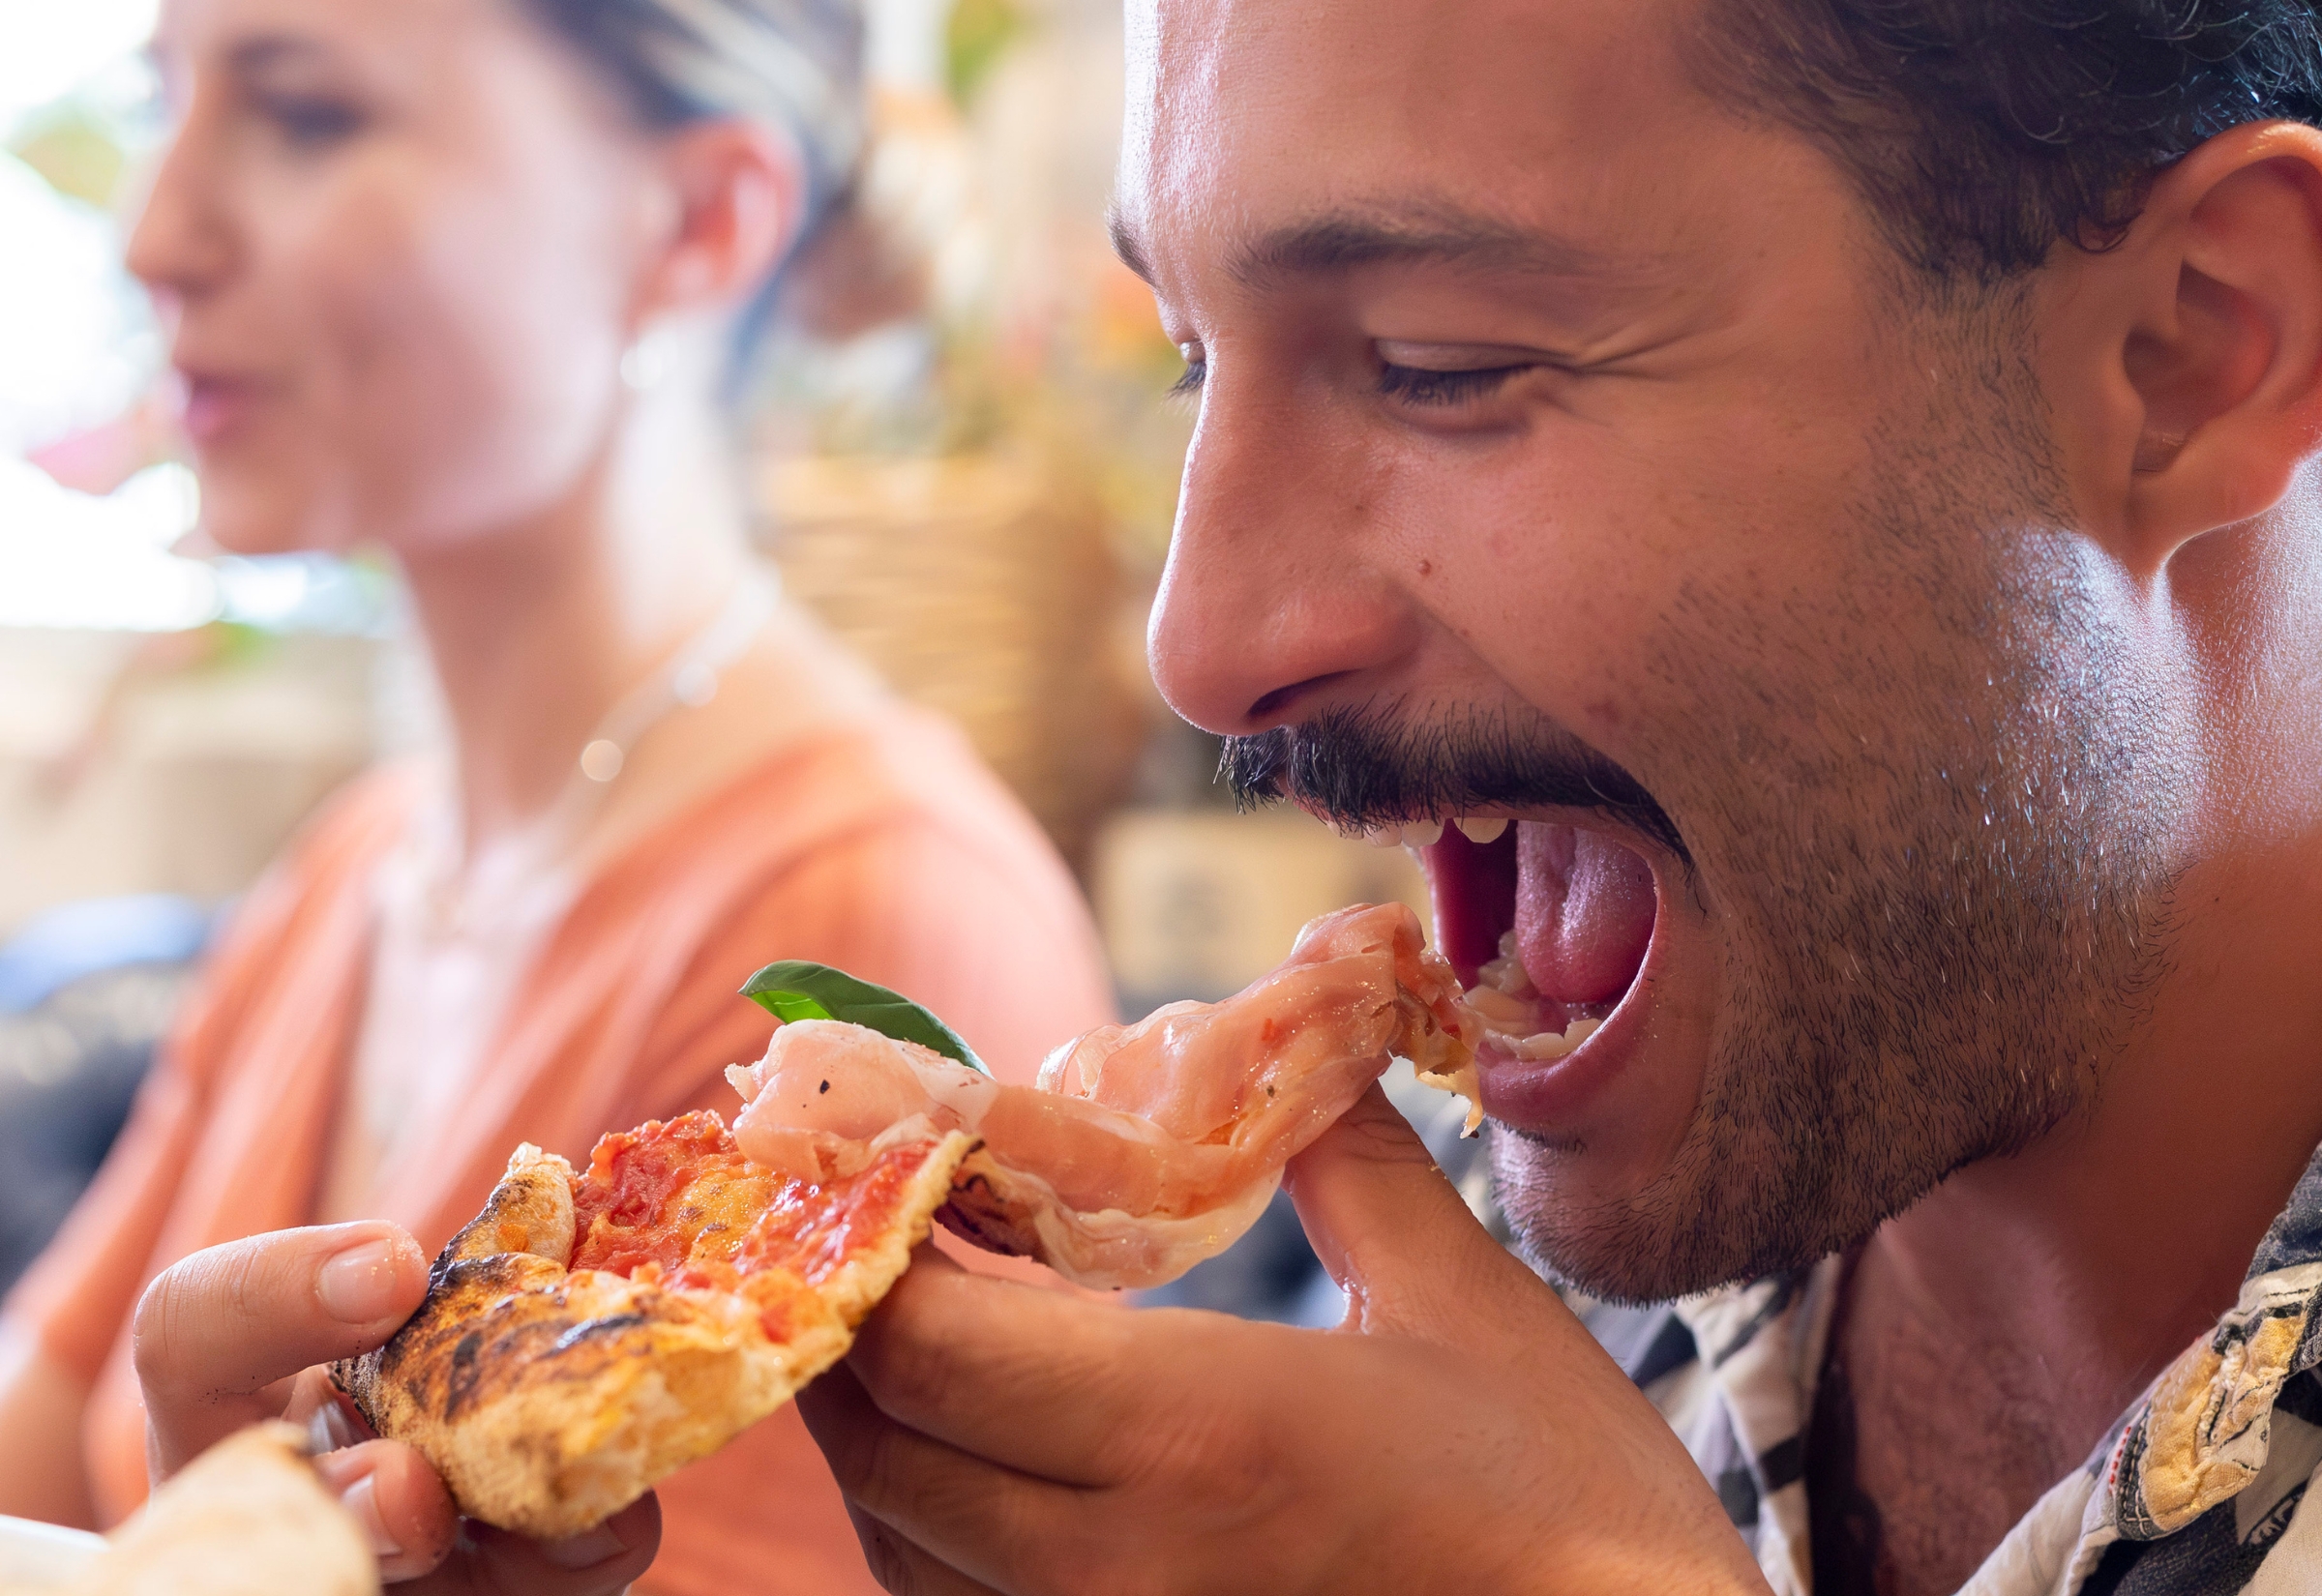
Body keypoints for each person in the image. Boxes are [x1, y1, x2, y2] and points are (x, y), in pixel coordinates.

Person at [778, 2, 2322, 1594]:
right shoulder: (1482, 1281)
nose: (1200, 644)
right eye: (1191, 362)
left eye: (1442, 368)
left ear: (2194, 351)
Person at [0, 0, 1115, 1591]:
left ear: (698, 223)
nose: (153, 232)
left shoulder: (866, 936)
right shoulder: (361, 867)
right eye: (160, 100)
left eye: (306, 114)